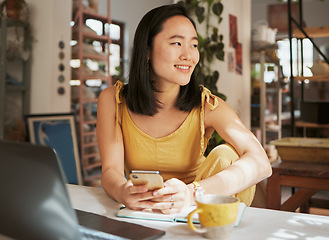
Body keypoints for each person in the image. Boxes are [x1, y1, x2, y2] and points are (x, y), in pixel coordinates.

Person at [97, 3, 272, 214]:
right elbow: (111, 171)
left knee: (226, 155)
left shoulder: (207, 105)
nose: (189, 56)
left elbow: (261, 162)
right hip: (144, 213)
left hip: (199, 212)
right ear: (147, 51)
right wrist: (123, 191)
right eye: (177, 43)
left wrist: (192, 193)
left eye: (194, 45)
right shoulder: (113, 101)